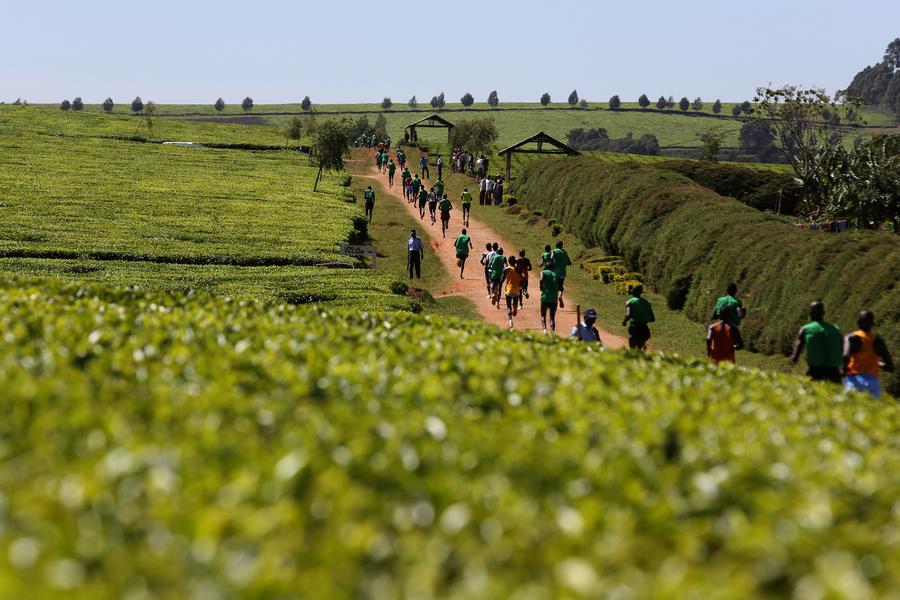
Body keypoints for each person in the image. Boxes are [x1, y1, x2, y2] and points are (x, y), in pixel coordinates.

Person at [843, 310, 894, 397]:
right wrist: (877, 363)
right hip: (872, 382)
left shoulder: (850, 338)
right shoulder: (878, 341)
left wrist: (844, 370)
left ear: (858, 322)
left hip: (854, 379)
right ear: (872, 324)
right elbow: (890, 367)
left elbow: (845, 356)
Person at [790, 301, 842, 383]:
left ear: (810, 313)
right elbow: (842, 349)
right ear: (823, 313)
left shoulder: (805, 329)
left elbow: (798, 348)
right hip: (834, 372)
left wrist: (794, 360)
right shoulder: (836, 330)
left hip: (815, 371)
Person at [622, 284, 655, 351]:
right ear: (641, 292)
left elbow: (628, 314)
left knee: (632, 343)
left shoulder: (630, 301)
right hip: (644, 327)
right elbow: (652, 319)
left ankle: (633, 354)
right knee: (640, 346)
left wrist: (624, 322)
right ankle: (642, 345)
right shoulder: (647, 302)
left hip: (635, 326)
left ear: (632, 292)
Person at [500, 256, 524, 328]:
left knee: (508, 306)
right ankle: (515, 308)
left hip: (509, 290)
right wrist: (521, 285)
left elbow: (501, 280)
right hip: (516, 291)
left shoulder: (506, 269)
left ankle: (510, 321)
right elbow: (523, 278)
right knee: (515, 303)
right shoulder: (519, 270)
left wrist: (498, 288)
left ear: (508, 262)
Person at [540, 259, 559, 334]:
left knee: (543, 315)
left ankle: (544, 330)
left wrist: (541, 287)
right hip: (554, 298)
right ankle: (552, 333)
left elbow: (541, 280)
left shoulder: (543, 272)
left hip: (545, 297)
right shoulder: (556, 274)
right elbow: (560, 286)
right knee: (552, 317)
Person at [551, 241, 572, 308]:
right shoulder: (565, 252)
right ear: (562, 246)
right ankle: (560, 296)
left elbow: (551, 259)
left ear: (556, 246)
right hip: (562, 273)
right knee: (560, 286)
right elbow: (569, 263)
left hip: (554, 272)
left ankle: (552, 302)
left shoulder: (554, 251)